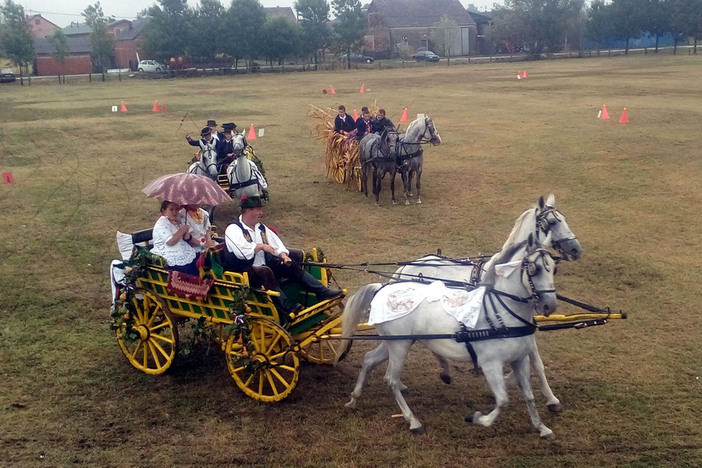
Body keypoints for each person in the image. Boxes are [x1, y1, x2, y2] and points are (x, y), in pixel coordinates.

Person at [223, 195, 343, 315]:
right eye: (258, 209)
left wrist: (283, 255)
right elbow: (241, 252)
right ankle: (286, 308)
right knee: (265, 271)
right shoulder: (233, 229)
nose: (261, 213)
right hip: (242, 270)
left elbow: (276, 243)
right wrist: (260, 246)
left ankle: (322, 292)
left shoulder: (261, 228)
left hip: (263, 265)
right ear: (248, 211)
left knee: (289, 264)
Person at [151, 200, 201, 275]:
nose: (174, 212)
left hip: (182, 250)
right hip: (169, 252)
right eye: (171, 209)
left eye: (176, 209)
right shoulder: (162, 223)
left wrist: (203, 243)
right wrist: (182, 230)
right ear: (164, 211)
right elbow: (170, 242)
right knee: (189, 270)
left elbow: (187, 238)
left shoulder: (177, 220)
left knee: (200, 262)